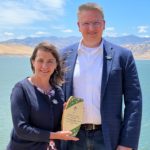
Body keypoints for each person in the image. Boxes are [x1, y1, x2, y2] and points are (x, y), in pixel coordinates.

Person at [61, 2, 142, 150]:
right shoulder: (63, 56)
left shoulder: (123, 56)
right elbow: (52, 95)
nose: (91, 28)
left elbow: (134, 101)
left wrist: (127, 143)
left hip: (109, 138)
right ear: (78, 25)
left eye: (96, 23)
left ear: (104, 24)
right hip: (71, 138)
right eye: (86, 23)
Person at [7, 42, 78, 150]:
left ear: (56, 65)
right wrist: (55, 136)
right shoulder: (21, 89)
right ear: (33, 62)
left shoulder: (58, 92)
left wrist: (65, 115)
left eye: (50, 61)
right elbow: (21, 129)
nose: (45, 66)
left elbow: (57, 126)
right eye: (40, 60)